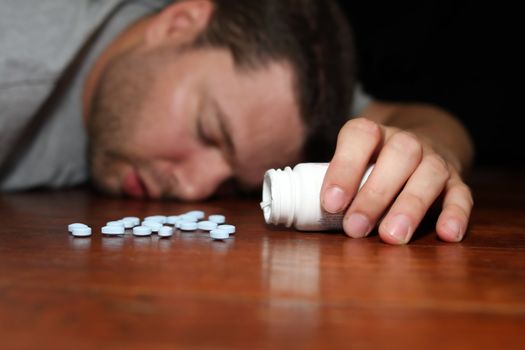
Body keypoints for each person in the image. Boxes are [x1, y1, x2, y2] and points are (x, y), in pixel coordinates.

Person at [0, 0, 473, 245]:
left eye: (231, 186)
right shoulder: (15, 64)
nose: (193, 191)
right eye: (209, 131)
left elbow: (413, 119)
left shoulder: (257, 92)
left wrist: (428, 151)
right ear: (179, 20)